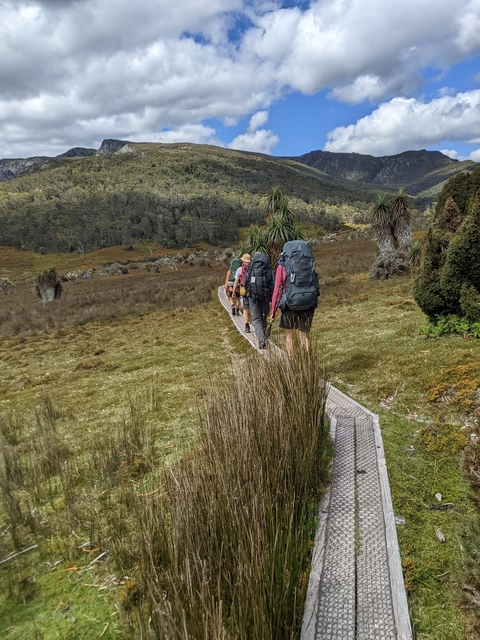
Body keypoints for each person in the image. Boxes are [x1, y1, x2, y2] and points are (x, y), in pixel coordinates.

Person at [269, 241, 319, 356]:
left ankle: (292, 362)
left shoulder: (282, 265)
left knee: (289, 336)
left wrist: (273, 311)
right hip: (308, 303)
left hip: (289, 305)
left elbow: (278, 288)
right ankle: (307, 361)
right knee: (304, 336)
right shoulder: (309, 262)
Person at [244, 252, 274, 349]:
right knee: (264, 316)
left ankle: (261, 341)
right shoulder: (268, 268)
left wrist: (248, 292)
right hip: (265, 297)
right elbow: (272, 283)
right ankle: (264, 332)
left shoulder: (250, 267)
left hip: (253, 297)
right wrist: (270, 296)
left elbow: (246, 282)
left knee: (256, 319)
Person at [232, 253, 251, 332]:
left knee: (245, 309)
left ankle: (247, 326)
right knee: (254, 309)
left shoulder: (240, 269)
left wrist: (233, 292)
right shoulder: (253, 268)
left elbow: (236, 282)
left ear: (243, 261)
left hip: (243, 291)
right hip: (253, 291)